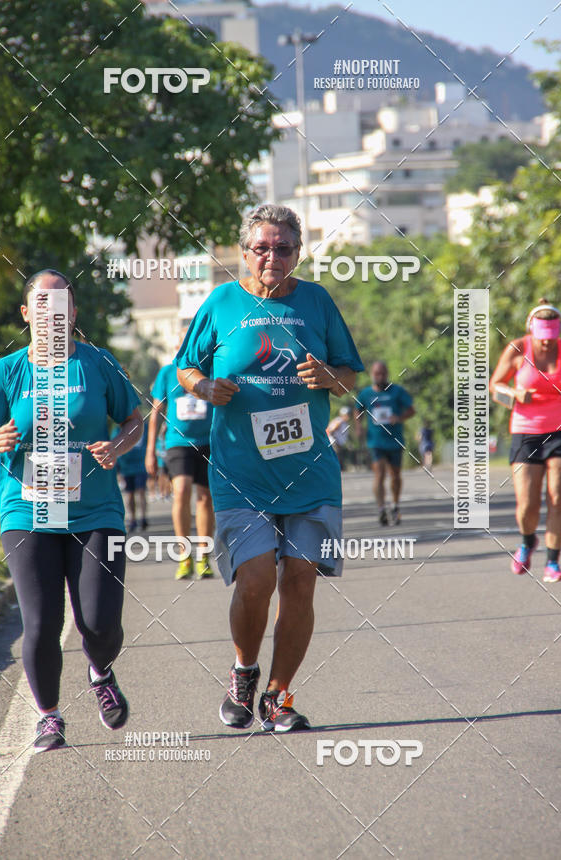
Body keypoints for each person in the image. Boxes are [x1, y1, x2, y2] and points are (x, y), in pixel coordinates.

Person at [176, 203, 363, 732]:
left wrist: (329, 376)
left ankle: (278, 696)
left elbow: (352, 375)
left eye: (284, 248)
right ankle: (244, 671)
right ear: (244, 252)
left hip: (309, 470)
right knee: (257, 578)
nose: (272, 257)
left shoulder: (317, 302)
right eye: (262, 248)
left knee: (300, 578)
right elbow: (184, 365)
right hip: (241, 472)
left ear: (298, 252)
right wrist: (204, 386)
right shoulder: (221, 303)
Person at [0, 269, 143, 752]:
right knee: (42, 624)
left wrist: (119, 445)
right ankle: (48, 715)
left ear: (73, 313)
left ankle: (100, 669)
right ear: (27, 315)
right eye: (41, 305)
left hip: (95, 512)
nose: (52, 314)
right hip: (27, 512)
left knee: (100, 623)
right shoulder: (7, 371)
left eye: (61, 304)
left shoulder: (98, 363)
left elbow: (134, 420)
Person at [489, 300, 561, 583]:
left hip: (559, 432)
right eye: (541, 337)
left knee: (558, 498)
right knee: (528, 506)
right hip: (526, 432)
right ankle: (528, 540)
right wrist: (516, 395)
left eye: (551, 337)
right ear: (532, 331)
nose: (546, 343)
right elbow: (495, 387)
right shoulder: (518, 348)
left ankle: (553, 561)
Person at [146, 340, 214, 580]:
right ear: (177, 347)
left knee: (206, 498)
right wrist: (150, 450)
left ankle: (204, 557)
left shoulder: (211, 369)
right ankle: (184, 556)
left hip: (208, 441)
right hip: (178, 442)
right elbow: (156, 414)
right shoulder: (167, 373)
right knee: (182, 490)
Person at [356, 361, 415, 526]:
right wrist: (359, 427)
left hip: (395, 440)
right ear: (371, 375)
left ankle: (395, 505)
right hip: (375, 441)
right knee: (379, 474)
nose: (380, 377)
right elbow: (358, 409)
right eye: (376, 374)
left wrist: (399, 417)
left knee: (395, 475)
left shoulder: (397, 391)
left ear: (387, 374)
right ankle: (381, 508)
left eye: (382, 373)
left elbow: (411, 410)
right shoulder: (365, 394)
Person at [115, 419, 149, 532]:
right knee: (129, 494)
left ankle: (143, 518)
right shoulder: (117, 430)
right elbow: (114, 448)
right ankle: (132, 519)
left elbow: (150, 444)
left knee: (141, 492)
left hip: (141, 466)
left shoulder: (145, 428)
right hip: (126, 468)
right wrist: (118, 467)